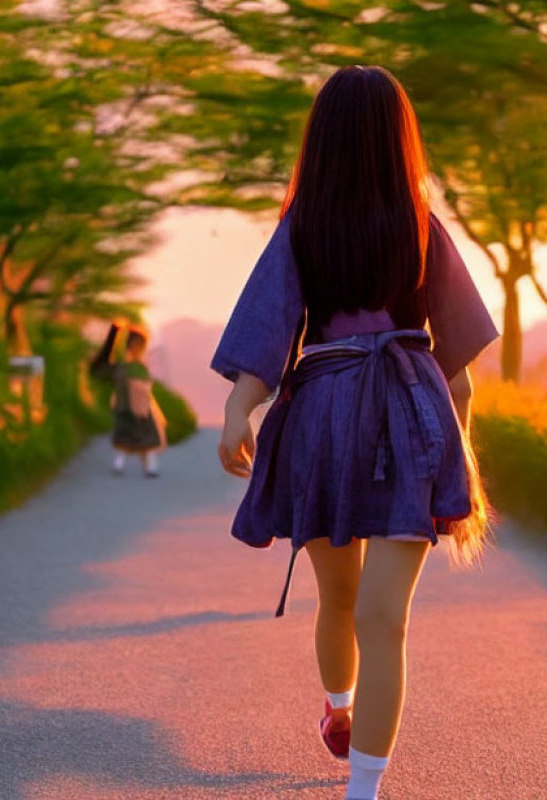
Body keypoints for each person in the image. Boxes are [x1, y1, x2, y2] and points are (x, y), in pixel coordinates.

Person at [211, 65, 498, 800]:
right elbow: (458, 368)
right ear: (400, 137)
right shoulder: (377, 227)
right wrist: (235, 409)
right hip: (397, 414)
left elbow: (268, 332)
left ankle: (363, 789)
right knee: (348, 602)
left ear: (323, 140)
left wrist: (241, 408)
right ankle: (340, 709)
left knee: (375, 616)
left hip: (345, 418)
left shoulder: (352, 226)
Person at [90, 321, 167, 477]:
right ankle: (139, 467)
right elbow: (98, 370)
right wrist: (113, 333)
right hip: (134, 408)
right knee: (137, 440)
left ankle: (139, 467)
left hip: (134, 408)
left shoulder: (131, 367)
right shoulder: (127, 367)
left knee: (134, 440)